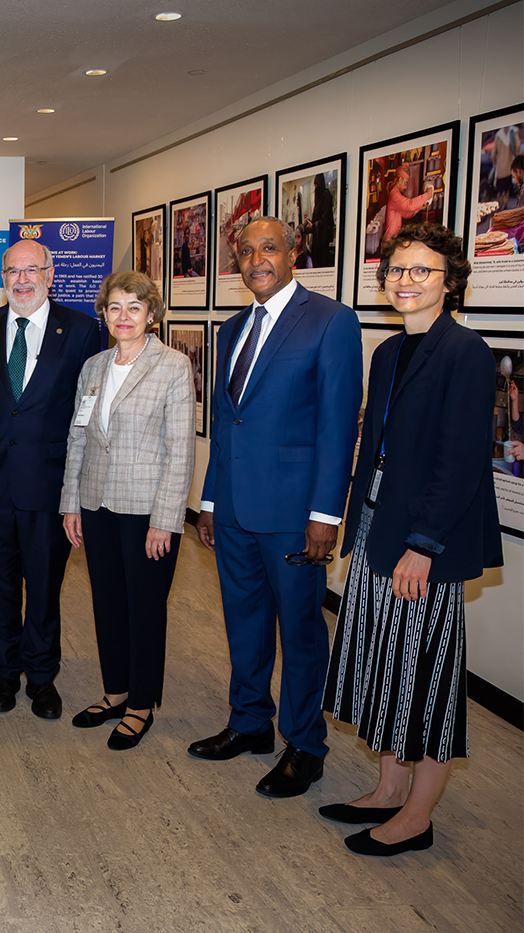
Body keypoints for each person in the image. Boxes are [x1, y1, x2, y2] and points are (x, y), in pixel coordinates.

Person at [321, 222, 502, 856]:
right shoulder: (390, 352)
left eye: (421, 271)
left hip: (423, 543)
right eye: (396, 269)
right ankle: (386, 790)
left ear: (450, 283)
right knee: (383, 668)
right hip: (377, 526)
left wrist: (423, 546)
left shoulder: (466, 353)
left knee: (424, 681)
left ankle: (417, 816)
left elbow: (459, 464)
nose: (405, 281)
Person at [190, 216, 361, 798]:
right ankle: (248, 723)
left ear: (293, 254)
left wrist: (326, 514)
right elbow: (226, 425)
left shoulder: (331, 321)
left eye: (269, 248)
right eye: (245, 250)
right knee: (244, 622)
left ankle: (305, 745)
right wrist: (209, 500)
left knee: (301, 631)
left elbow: (338, 428)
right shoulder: (232, 328)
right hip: (234, 508)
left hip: (294, 516)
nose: (256, 258)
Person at [0, 239, 97, 719]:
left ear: (51, 274)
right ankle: (4, 670)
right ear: (3, 277)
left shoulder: (80, 330)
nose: (22, 280)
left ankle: (41, 675)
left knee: (45, 585)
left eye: (32, 270)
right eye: (12, 271)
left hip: (49, 486)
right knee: (0, 585)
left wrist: (79, 486)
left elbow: (86, 412)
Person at [59, 271, 194, 747]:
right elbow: (78, 437)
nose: (123, 316)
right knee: (107, 602)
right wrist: (70, 503)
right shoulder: (93, 367)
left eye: (134, 307)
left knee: (144, 607)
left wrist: (166, 521)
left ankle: (140, 704)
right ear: (104, 314)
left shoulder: (173, 366)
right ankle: (115, 691)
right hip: (95, 503)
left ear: (151, 315)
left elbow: (180, 451)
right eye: (114, 307)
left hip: (145, 510)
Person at [382, 169, 433, 247]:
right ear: (399, 179)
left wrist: (419, 208)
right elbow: (409, 205)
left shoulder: (396, 194)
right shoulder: (394, 195)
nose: (406, 187)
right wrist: (427, 195)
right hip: (390, 240)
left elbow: (406, 214)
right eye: (405, 183)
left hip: (393, 238)